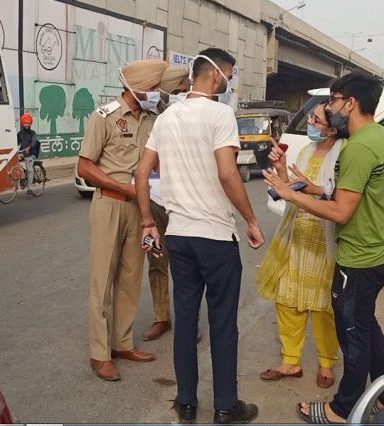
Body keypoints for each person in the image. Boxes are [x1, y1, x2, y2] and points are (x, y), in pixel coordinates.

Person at [264, 70, 384, 424]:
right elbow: (355, 196)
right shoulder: (383, 137)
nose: (330, 108)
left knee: (354, 336)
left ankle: (342, 409)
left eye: (334, 101)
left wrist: (286, 194)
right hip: (381, 250)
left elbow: (342, 212)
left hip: (359, 257)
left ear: (351, 103)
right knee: (367, 325)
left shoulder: (357, 147)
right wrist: (313, 189)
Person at [135, 48, 264, 424]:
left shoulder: (167, 117)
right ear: (218, 74)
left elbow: (142, 173)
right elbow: (228, 174)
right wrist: (252, 219)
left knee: (186, 320)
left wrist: (147, 221)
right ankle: (226, 405)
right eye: (231, 75)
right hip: (215, 236)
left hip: (179, 235)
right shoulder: (221, 114)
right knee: (223, 322)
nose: (230, 82)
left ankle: (187, 402)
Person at [78, 58, 169, 381]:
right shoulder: (105, 117)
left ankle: (122, 342)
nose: (157, 93)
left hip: (140, 209)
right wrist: (123, 186)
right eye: (153, 88)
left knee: (131, 278)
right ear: (138, 88)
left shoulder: (153, 120)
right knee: (102, 281)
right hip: (110, 204)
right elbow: (84, 167)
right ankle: (100, 353)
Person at [257, 101, 342, 389]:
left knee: (322, 307)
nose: (310, 123)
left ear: (332, 127)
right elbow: (291, 187)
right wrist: (281, 171)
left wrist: (311, 188)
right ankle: (291, 361)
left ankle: (327, 364)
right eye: (310, 117)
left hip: (323, 238)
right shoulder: (306, 151)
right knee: (287, 298)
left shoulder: (343, 153)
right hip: (297, 233)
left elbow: (339, 196)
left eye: (316, 120)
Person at [142, 65, 191, 342]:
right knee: (157, 260)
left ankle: (188, 320)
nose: (182, 95)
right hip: (154, 198)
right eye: (179, 90)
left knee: (186, 265)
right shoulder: (148, 118)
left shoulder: (188, 117)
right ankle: (162, 317)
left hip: (182, 200)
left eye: (184, 90)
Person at [17, 113, 44, 188]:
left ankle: (30, 188)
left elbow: (34, 142)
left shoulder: (33, 133)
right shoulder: (20, 133)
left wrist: (29, 147)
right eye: (25, 123)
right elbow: (17, 142)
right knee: (14, 164)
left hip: (31, 153)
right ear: (22, 123)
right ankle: (23, 177)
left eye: (28, 123)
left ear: (30, 123)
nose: (27, 125)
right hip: (22, 152)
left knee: (29, 170)